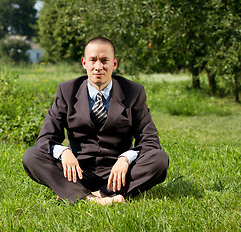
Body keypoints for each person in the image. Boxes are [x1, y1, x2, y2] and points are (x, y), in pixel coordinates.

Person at [22, 37, 169, 205]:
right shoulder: (66, 91)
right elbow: (44, 140)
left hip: (118, 173)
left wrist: (125, 159)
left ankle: (88, 194)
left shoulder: (134, 92)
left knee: (159, 159)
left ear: (115, 64)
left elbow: (150, 141)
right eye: (93, 60)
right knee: (31, 156)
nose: (98, 67)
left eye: (105, 60)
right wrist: (64, 152)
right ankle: (93, 199)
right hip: (77, 173)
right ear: (84, 63)